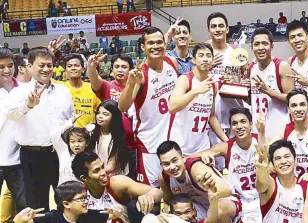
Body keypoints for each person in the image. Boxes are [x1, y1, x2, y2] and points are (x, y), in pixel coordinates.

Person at [5, 48, 73, 223]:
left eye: (49, 65)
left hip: (60, 154)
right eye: (41, 65)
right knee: (37, 205)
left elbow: (69, 118)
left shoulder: (63, 91)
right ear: (30, 66)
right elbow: (11, 114)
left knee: (65, 200)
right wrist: (28, 105)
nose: (46, 69)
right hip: (32, 155)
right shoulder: (19, 92)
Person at [118, 26, 179, 187]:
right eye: (150, 43)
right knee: (151, 196)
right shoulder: (141, 75)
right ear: (143, 47)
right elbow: (122, 106)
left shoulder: (171, 63)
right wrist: (131, 84)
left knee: (177, 190)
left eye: (160, 42)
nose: (156, 46)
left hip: (173, 141)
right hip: (149, 145)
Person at [192, 108, 263, 223]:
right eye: (234, 123)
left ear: (251, 124)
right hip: (238, 199)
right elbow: (193, 157)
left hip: (260, 198)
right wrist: (203, 156)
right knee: (220, 210)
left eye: (243, 122)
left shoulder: (262, 142)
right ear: (230, 127)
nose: (239, 126)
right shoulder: (226, 147)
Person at [72, 151, 164, 223]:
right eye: (96, 171)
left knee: (134, 206)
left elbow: (158, 192)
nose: (103, 172)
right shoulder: (78, 196)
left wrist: (147, 196)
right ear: (84, 178)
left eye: (102, 167)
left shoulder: (116, 183)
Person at [156, 141, 240, 223]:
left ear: (183, 157)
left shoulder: (196, 168)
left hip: (223, 202)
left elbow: (227, 190)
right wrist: (164, 217)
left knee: (220, 211)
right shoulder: (163, 178)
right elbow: (169, 202)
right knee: (175, 217)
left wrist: (210, 190)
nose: (172, 167)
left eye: (175, 160)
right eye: (166, 164)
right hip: (199, 208)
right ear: (161, 165)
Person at [14, 181, 125, 223]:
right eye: (81, 199)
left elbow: (114, 215)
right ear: (66, 204)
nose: (86, 201)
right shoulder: (51, 218)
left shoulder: (88, 216)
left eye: (86, 197)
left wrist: (119, 210)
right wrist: (20, 217)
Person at [168, 43, 227, 156]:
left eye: (209, 56)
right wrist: (196, 91)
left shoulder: (212, 84)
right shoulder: (185, 79)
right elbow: (172, 107)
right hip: (180, 145)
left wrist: (226, 139)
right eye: (201, 55)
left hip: (202, 145)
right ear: (194, 60)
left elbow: (212, 116)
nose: (205, 59)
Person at [206, 12, 247, 170]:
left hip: (234, 116)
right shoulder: (203, 54)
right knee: (216, 166)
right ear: (208, 30)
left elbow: (245, 83)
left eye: (221, 26)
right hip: (211, 119)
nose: (218, 29)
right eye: (214, 26)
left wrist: (236, 80)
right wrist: (208, 66)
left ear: (227, 28)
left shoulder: (236, 53)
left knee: (237, 165)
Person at [0, 48, 29, 223]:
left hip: (18, 159)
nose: (6, 70)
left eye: (10, 65)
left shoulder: (23, 90)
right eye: (1, 67)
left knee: (23, 204)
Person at [265, 89, 308, 181]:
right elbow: (267, 152)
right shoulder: (284, 130)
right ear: (288, 109)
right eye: (294, 106)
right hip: (294, 183)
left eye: (302, 104)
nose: (298, 109)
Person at [249, 27, 295, 138]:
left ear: (272, 46)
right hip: (258, 129)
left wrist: (269, 91)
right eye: (257, 44)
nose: (260, 48)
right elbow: (252, 99)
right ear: (251, 48)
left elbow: (293, 99)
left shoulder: (281, 66)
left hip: (279, 129)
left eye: (264, 43)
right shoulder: (251, 68)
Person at [55, 54, 101, 127]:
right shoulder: (59, 87)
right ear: (65, 70)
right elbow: (40, 77)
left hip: (87, 135)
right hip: (66, 135)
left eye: (76, 65)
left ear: (83, 69)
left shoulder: (92, 88)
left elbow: (100, 111)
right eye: (69, 66)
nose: (73, 68)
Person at [88, 100, 130, 176]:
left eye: (105, 114)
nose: (100, 116)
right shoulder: (90, 130)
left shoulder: (118, 137)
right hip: (96, 175)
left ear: (114, 117)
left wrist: (90, 171)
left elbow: (110, 167)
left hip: (114, 178)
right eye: (98, 113)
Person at [50, 113, 89, 186]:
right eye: (72, 141)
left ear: (86, 143)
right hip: (64, 193)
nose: (76, 145)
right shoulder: (64, 152)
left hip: (81, 194)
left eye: (80, 141)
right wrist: (71, 121)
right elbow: (54, 134)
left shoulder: (90, 157)